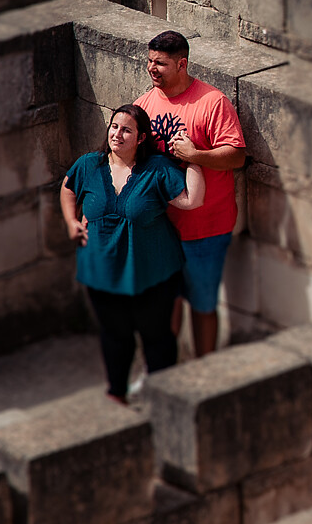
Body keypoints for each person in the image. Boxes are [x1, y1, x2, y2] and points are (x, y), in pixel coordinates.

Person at [59, 104, 205, 404]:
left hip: (151, 271)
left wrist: (193, 159)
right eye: (114, 127)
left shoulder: (157, 169)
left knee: (156, 337)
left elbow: (192, 200)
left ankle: (164, 398)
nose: (117, 134)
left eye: (126, 130)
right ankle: (117, 395)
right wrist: (72, 221)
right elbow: (67, 188)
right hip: (102, 271)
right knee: (115, 336)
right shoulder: (88, 165)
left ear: (140, 138)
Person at [135, 30, 246, 357]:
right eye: (150, 61)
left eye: (162, 63)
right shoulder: (144, 104)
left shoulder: (212, 102)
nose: (153, 69)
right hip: (160, 230)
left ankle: (204, 372)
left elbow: (237, 155)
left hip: (206, 229)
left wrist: (195, 155)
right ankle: (166, 372)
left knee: (203, 304)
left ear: (182, 64)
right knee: (165, 304)